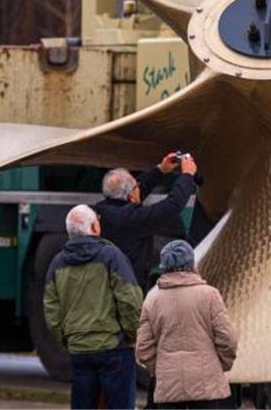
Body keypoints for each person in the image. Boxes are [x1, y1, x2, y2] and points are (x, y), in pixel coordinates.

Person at [44, 204, 144, 410]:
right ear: (95, 228)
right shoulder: (111, 256)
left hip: (80, 350)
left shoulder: (58, 262)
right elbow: (130, 300)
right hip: (114, 348)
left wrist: (67, 339)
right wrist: (133, 336)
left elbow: (51, 309)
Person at [137, 240, 238, 409]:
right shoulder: (210, 295)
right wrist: (220, 365)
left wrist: (161, 369)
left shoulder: (152, 300)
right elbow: (227, 339)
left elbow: (143, 349)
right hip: (206, 383)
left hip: (169, 385)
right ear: (191, 263)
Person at [94, 152, 199, 290]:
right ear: (131, 196)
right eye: (136, 185)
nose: (140, 185)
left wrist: (161, 169)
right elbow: (171, 206)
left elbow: (136, 194)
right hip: (129, 288)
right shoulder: (131, 220)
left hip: (111, 281)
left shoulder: (105, 209)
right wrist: (187, 176)